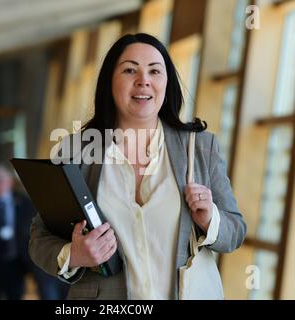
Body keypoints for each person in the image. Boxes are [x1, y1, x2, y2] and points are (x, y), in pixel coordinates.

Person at [29, 33, 247, 300]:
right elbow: (39, 238)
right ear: (110, 81)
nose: (143, 80)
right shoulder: (77, 152)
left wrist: (209, 219)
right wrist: (75, 255)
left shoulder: (200, 148)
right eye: (130, 70)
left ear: (166, 83)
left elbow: (235, 231)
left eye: (155, 71)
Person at [0, 165, 69, 300]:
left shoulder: (25, 203)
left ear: (10, 181)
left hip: (17, 262)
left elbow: (34, 230)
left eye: (2, 179)